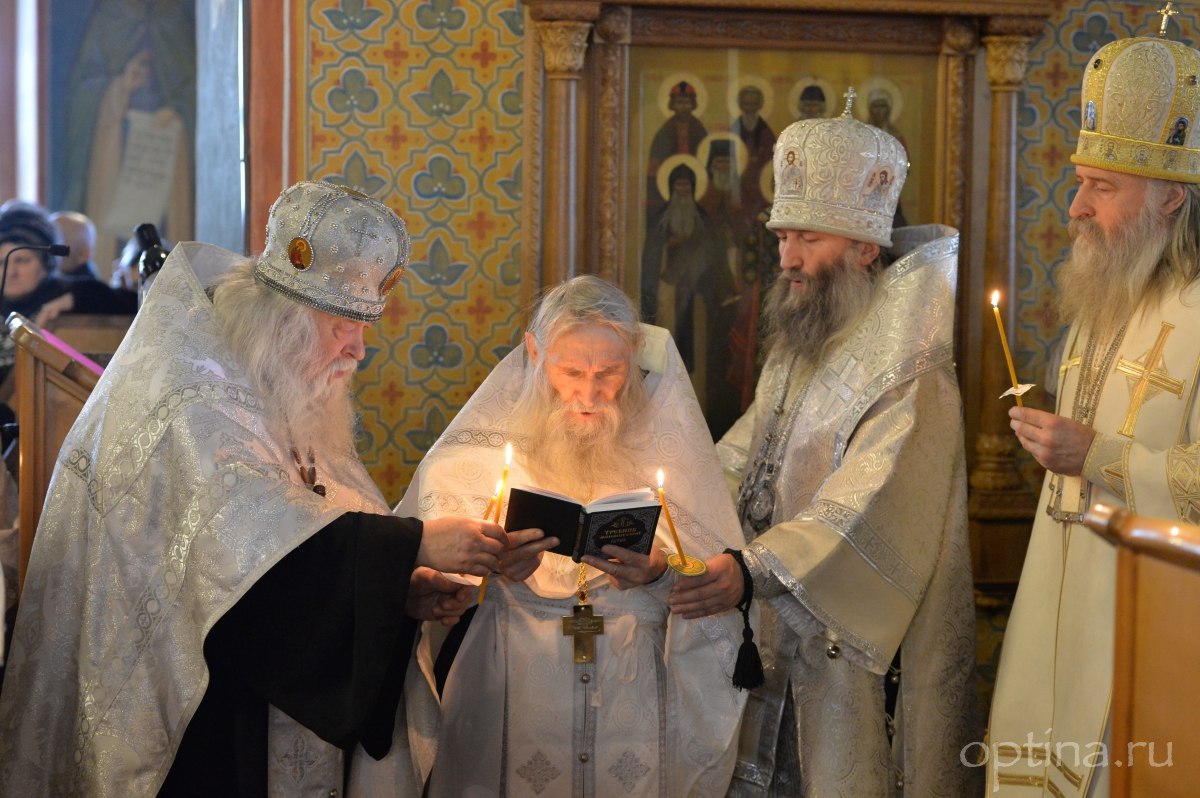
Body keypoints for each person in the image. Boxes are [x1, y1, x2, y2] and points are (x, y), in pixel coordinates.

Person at [0, 181, 507, 797]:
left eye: (364, 326)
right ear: (283, 322)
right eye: (342, 325)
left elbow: (299, 561)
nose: (359, 349)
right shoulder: (193, 398)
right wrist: (414, 544)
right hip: (203, 737)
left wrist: (394, 592)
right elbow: (240, 563)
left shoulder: (284, 392)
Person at [669, 93, 981, 796]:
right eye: (783, 237)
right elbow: (746, 453)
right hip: (767, 617)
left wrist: (755, 568)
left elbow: (871, 500)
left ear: (865, 248)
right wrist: (666, 506)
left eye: (808, 239)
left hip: (845, 649)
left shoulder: (910, 367)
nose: (787, 259)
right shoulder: (803, 338)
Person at [396, 275, 747, 797]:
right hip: (509, 697)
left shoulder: (672, 460)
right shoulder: (467, 463)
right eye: (571, 372)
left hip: (634, 702)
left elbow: (718, 606)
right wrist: (488, 572)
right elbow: (422, 600)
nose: (589, 394)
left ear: (633, 356)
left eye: (609, 372)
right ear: (535, 353)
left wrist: (658, 575)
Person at [987, 33, 1200, 797]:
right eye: (1079, 182)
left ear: (1170, 197)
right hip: (1057, 603)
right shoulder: (1102, 301)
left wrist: (1097, 456)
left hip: (1156, 624)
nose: (1075, 207)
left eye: (1101, 188)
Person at [640, 162, 725, 373]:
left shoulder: (702, 219)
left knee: (694, 340)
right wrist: (668, 247)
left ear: (693, 188)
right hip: (666, 288)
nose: (683, 190)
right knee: (666, 334)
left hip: (696, 292)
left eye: (687, 185)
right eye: (679, 185)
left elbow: (711, 256)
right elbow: (651, 256)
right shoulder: (660, 219)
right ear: (671, 187)